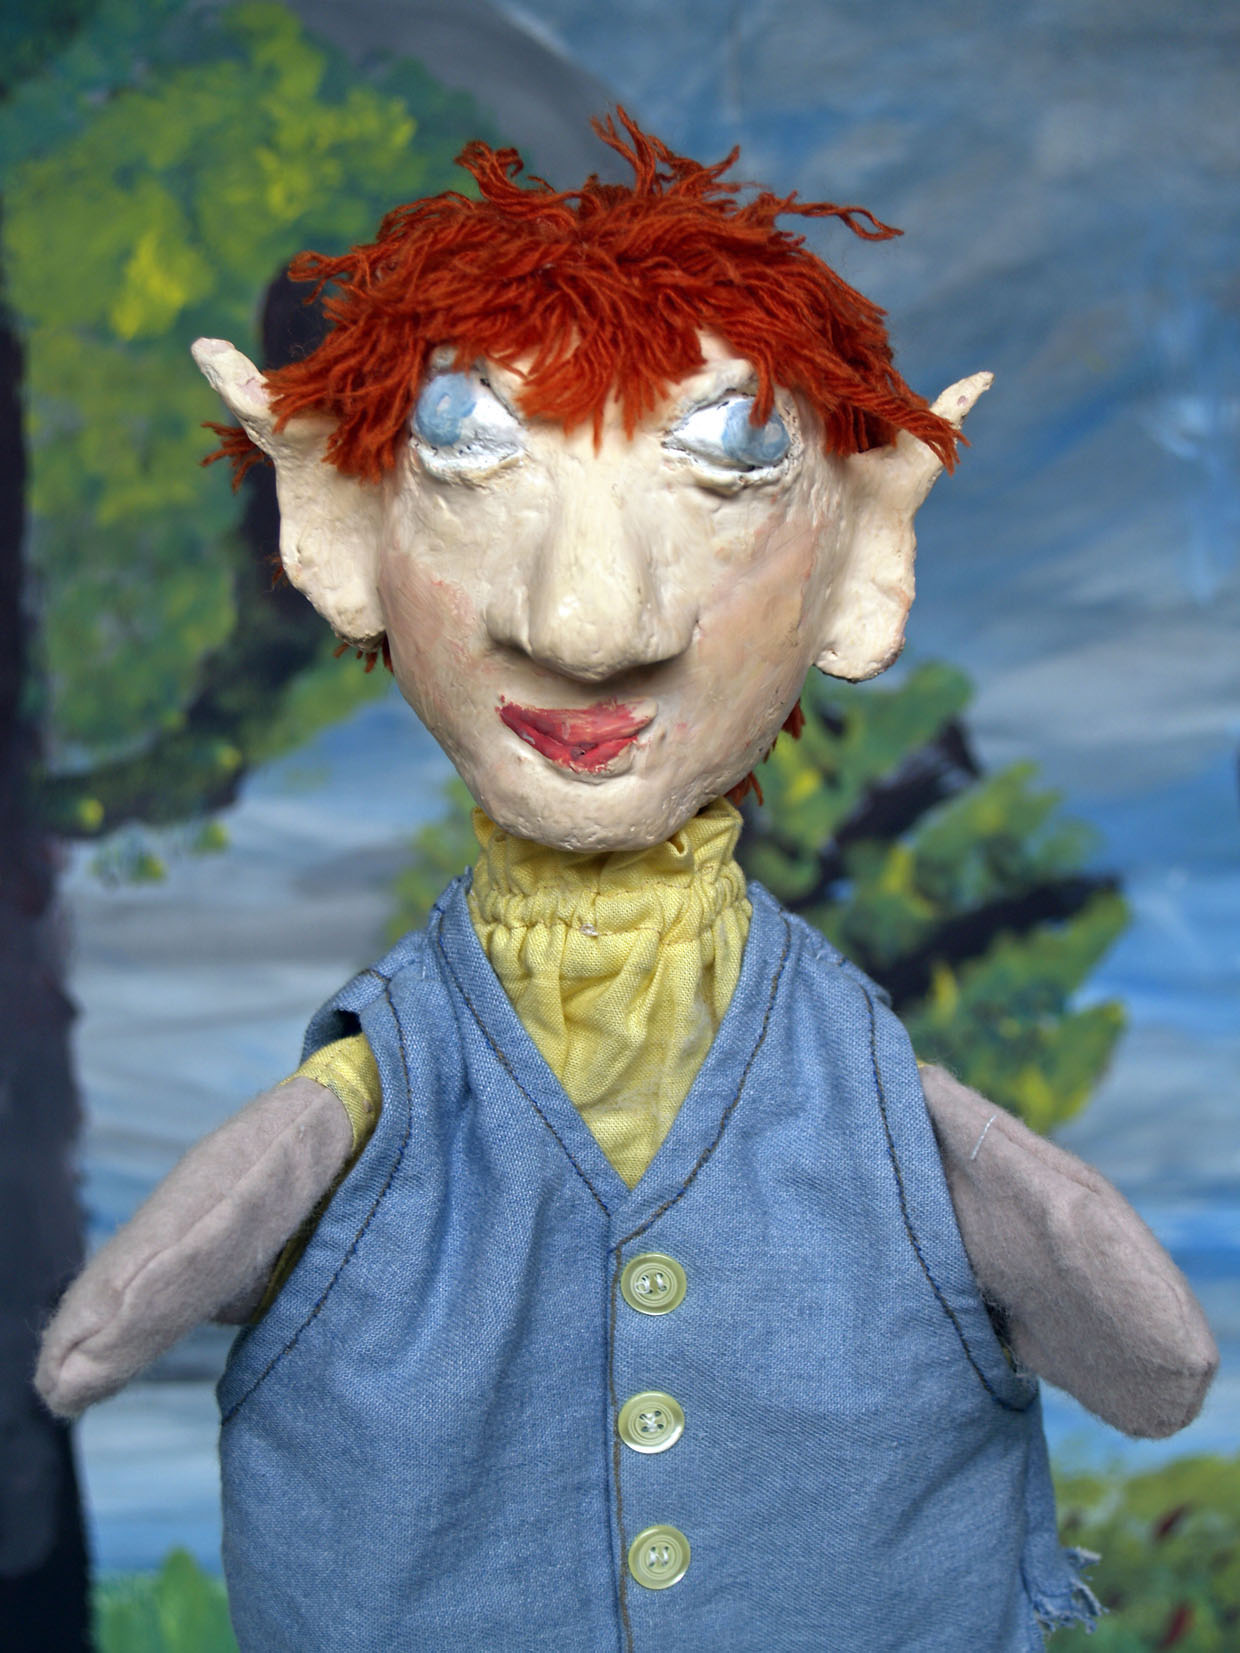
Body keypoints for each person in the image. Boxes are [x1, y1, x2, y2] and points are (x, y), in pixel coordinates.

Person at [37, 114, 1216, 1651]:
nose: (590, 627)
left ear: (864, 562)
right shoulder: (388, 1086)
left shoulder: (859, 1089)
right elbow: (141, 1299)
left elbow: (1151, 1363)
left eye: (740, 452)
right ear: (336, 528)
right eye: (465, 441)